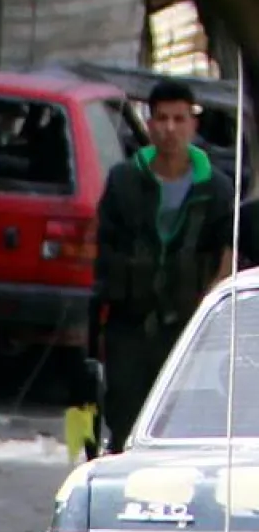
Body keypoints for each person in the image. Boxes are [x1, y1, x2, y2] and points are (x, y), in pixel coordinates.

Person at [92, 79, 235, 452]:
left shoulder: (216, 189)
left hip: (189, 331)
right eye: (161, 119)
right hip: (131, 327)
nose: (170, 129)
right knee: (124, 423)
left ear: (193, 124)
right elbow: (104, 249)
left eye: (179, 119)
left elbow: (227, 254)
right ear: (150, 123)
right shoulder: (124, 181)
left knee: (186, 427)